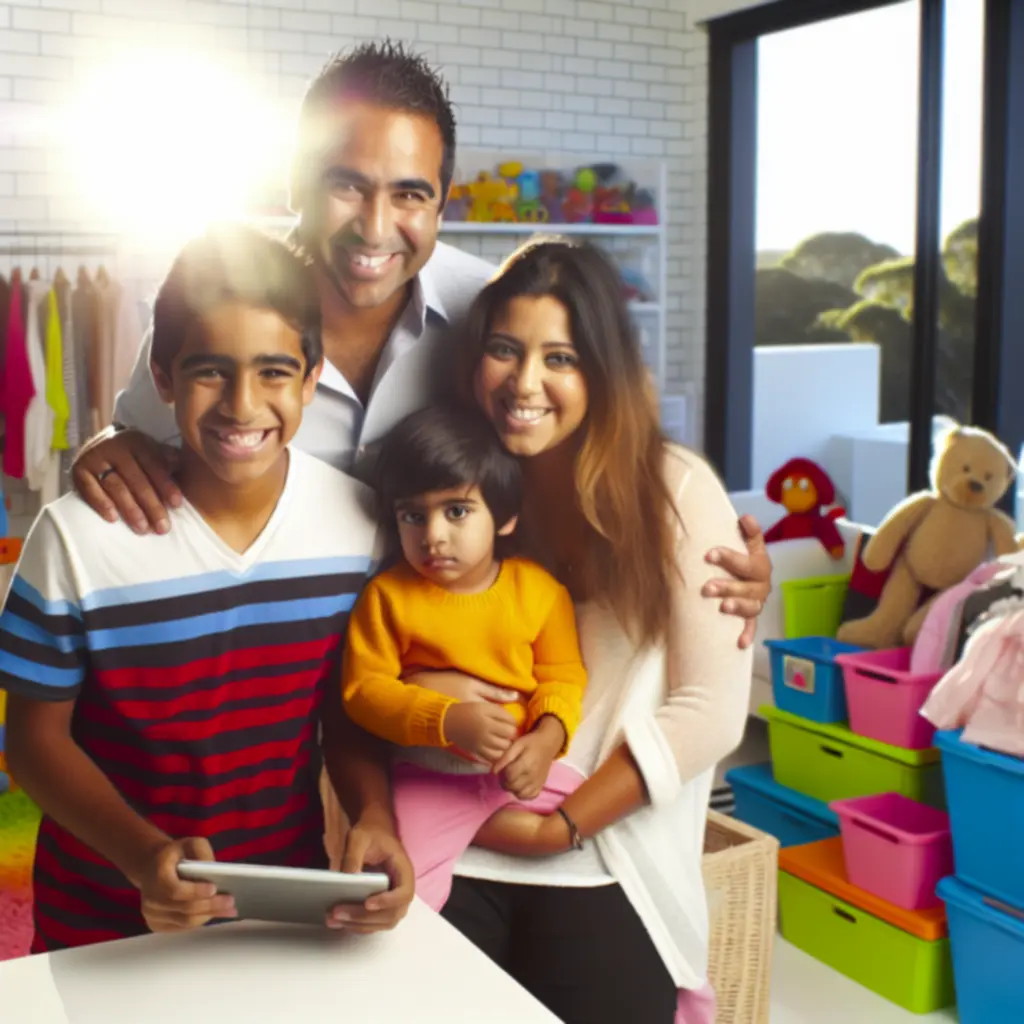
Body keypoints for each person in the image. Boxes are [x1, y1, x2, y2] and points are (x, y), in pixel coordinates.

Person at [68, 40, 772, 647]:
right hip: (265, 683)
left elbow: (589, 449)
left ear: (443, 199)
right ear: (295, 183)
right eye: (347, 184)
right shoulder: (221, 310)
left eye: (409, 194)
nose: (375, 228)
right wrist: (106, 447)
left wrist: (698, 562)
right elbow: (135, 451)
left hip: (442, 689)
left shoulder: (490, 316)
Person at [0, 225, 411, 952]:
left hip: (282, 909)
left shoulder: (361, 526)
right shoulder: (75, 537)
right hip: (99, 921)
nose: (242, 405)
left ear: (313, 379)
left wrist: (372, 814)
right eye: (210, 371)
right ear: (162, 377)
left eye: (275, 373)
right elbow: (34, 744)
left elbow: (345, 716)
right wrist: (141, 857)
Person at [397, 236, 752, 1024]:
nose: (526, 383)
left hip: (602, 853)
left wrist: (561, 827)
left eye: (561, 357)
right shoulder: (460, 489)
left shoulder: (673, 490)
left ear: (602, 370)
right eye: (505, 350)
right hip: (455, 838)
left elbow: (710, 711)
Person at [342, 404, 588, 911]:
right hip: (427, 779)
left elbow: (563, 677)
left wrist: (546, 740)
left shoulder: (539, 592)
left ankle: (686, 980)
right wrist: (447, 719)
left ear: (505, 516)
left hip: (527, 771)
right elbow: (364, 692)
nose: (433, 535)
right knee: (399, 896)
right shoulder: (388, 596)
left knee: (614, 837)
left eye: (456, 511)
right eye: (413, 515)